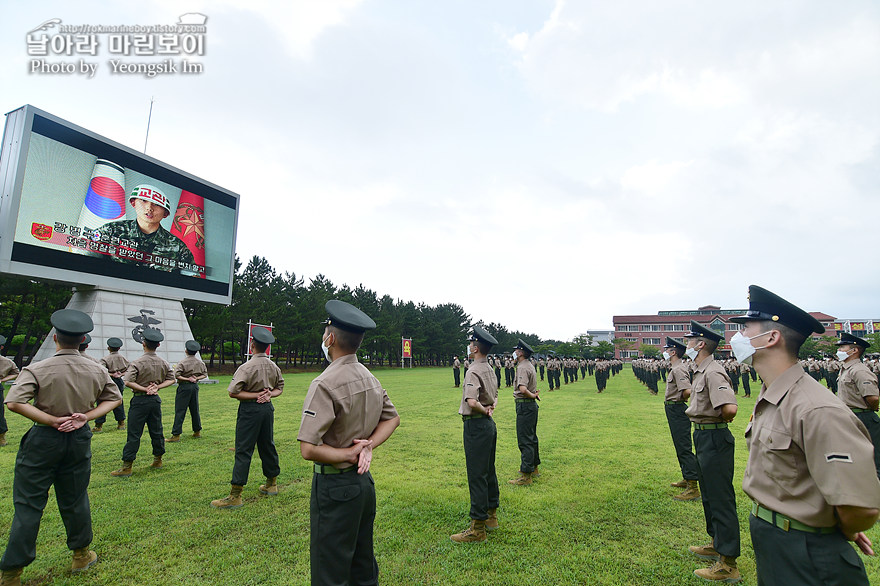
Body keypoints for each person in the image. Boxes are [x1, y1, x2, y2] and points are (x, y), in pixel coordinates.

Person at [732, 285, 880, 585]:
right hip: (778, 541)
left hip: (807, 551)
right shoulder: (774, 394)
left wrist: (843, 526)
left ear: (771, 338)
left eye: (745, 328)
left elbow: (861, 508)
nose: (737, 337)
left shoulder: (816, 408)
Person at [0, 310, 121, 585]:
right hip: (78, 439)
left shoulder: (38, 368)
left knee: (29, 504)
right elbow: (113, 399)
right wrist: (85, 417)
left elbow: (14, 402)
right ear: (81, 341)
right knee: (75, 498)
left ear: (55, 338)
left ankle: (11, 573)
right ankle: (81, 555)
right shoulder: (96, 369)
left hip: (43, 441)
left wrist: (52, 420)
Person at [298, 300, 400, 584]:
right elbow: (393, 419)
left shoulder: (324, 383)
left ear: (330, 338)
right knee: (363, 567)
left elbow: (308, 449)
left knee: (329, 573)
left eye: (325, 331)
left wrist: (351, 452)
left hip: (334, 488)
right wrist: (367, 445)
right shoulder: (370, 378)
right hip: (363, 486)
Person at [683, 320, 741, 583]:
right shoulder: (700, 370)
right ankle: (717, 544)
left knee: (720, 498)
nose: (687, 345)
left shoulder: (713, 372)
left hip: (715, 437)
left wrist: (716, 422)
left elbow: (729, 408)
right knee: (709, 495)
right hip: (704, 436)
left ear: (701, 344)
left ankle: (728, 563)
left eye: (690, 341)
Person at [212, 327, 283, 508]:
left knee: (243, 449)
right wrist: (268, 395)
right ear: (267, 348)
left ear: (252, 345)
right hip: (267, 409)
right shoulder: (273, 366)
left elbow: (232, 392)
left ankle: (235, 495)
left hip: (250, 411)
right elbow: (279, 388)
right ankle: (271, 484)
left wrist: (255, 395)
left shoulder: (246, 367)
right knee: (267, 445)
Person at [449, 325, 500, 543]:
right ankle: (491, 516)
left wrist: (482, 409)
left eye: (471, 343)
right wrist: (489, 408)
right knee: (488, 470)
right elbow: (495, 397)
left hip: (477, 426)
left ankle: (477, 528)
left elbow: (471, 401)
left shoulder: (473, 370)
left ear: (476, 347)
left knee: (477, 474)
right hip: (488, 425)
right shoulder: (489, 368)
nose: (469, 346)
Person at [111, 328, 174, 477]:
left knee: (134, 433)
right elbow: (171, 379)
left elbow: (127, 381)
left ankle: (127, 466)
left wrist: (144, 389)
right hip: (154, 400)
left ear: (143, 343)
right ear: (158, 345)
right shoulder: (163, 362)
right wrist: (156, 387)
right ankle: (158, 460)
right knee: (157, 430)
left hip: (139, 400)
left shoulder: (137, 363)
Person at [96, 184, 197, 274]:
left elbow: (192, 281)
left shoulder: (178, 246)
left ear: (165, 213)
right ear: (133, 203)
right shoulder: (110, 231)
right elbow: (85, 264)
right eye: (143, 201)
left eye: (156, 204)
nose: (149, 208)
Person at [835, 332, 880, 478]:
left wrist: (868, 410)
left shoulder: (859, 370)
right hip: (851, 416)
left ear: (854, 350)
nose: (839, 350)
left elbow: (873, 398)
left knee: (873, 458)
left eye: (842, 347)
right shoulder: (847, 368)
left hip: (863, 417)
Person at [662, 338, 699, 501]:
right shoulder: (675, 367)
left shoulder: (679, 369)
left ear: (673, 352)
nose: (665, 352)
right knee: (679, 445)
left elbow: (687, 391)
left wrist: (679, 401)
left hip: (677, 408)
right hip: (672, 408)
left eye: (667, 349)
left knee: (683, 446)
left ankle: (693, 486)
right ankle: (687, 477)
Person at [510, 339, 540, 486]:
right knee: (532, 437)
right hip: (530, 406)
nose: (514, 353)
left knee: (525, 439)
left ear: (521, 353)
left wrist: (532, 395)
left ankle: (526, 475)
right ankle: (534, 467)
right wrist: (533, 395)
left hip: (525, 406)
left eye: (516, 351)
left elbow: (522, 388)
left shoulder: (522, 367)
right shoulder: (529, 365)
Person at [166, 340, 208, 443]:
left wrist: (187, 379)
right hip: (194, 387)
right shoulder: (200, 362)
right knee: (195, 409)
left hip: (184, 387)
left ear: (186, 351)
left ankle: (176, 435)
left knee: (180, 410)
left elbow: (176, 375)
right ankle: (197, 431)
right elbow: (205, 374)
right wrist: (196, 379)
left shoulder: (182, 362)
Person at [95, 337, 128, 432]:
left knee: (102, 402)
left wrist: (112, 374)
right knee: (118, 401)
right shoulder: (123, 358)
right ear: (119, 348)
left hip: (107, 381)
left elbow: (101, 371)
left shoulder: (105, 359)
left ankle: (99, 425)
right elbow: (129, 369)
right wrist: (121, 374)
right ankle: (121, 423)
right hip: (118, 381)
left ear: (108, 348)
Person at [0, 336, 20, 447]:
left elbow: (16, 373)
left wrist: (2, 379)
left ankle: (1, 436)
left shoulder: (6, 362)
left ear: (1, 347)